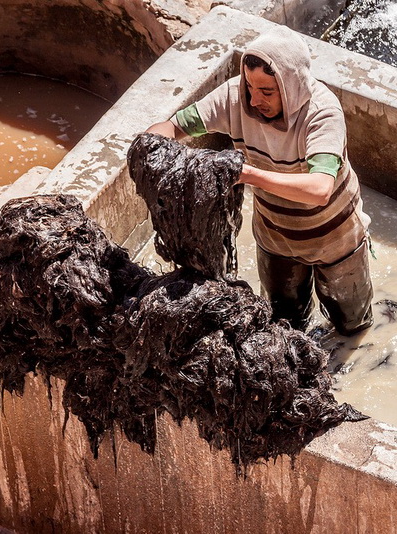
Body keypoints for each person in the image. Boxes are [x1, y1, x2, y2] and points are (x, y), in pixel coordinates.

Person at [146, 26, 373, 336]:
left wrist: (245, 174)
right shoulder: (236, 96)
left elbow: (320, 189)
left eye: (267, 91)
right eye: (250, 86)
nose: (254, 100)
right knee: (283, 327)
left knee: (352, 327)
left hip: (336, 241)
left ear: (291, 86)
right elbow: (174, 126)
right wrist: (151, 146)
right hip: (275, 238)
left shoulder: (321, 113)